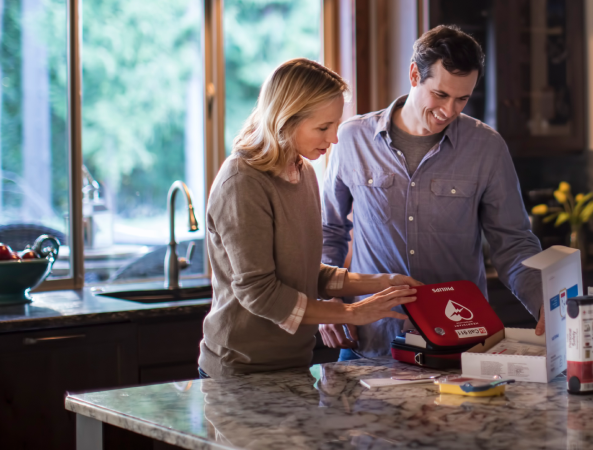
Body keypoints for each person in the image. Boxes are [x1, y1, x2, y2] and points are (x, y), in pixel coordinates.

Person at [319, 25, 546, 361]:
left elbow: (513, 242)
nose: (450, 110)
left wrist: (544, 301)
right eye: (440, 95)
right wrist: (327, 301)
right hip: (370, 341)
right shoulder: (353, 139)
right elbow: (329, 230)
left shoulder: (487, 147)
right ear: (414, 74)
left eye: (462, 98)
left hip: (460, 342)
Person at [198, 58, 424, 379]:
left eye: (335, 125)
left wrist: (384, 282)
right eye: (323, 127)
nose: (333, 139)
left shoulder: (302, 172)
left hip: (294, 364)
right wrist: (351, 312)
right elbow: (259, 292)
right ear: (286, 120)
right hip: (240, 370)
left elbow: (305, 272)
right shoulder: (243, 181)